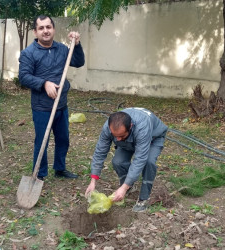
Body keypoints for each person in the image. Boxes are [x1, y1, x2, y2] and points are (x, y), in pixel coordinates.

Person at [19, 15, 85, 181]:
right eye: (41, 28)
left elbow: (78, 62)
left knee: (63, 139)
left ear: (53, 29)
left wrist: (76, 45)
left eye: (48, 27)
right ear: (35, 32)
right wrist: (44, 84)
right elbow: (24, 77)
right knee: (42, 141)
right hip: (42, 107)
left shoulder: (62, 49)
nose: (45, 31)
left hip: (61, 104)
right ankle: (39, 175)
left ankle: (60, 169)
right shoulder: (29, 53)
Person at [85, 107, 168, 212]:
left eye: (120, 136)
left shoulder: (142, 127)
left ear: (130, 127)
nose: (117, 139)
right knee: (118, 162)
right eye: (115, 136)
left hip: (153, 137)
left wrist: (123, 188)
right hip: (129, 139)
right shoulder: (108, 127)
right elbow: (100, 152)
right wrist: (93, 181)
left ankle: (143, 198)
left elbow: (140, 159)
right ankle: (129, 186)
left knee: (148, 162)